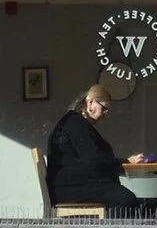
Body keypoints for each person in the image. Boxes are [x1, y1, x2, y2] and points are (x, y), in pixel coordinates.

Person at [46, 83, 148, 212]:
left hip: (71, 187)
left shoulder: (75, 122)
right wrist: (126, 163)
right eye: (104, 108)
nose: (105, 114)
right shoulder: (76, 125)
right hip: (71, 190)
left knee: (125, 197)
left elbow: (96, 158)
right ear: (90, 103)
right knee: (125, 199)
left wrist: (125, 163)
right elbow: (95, 160)